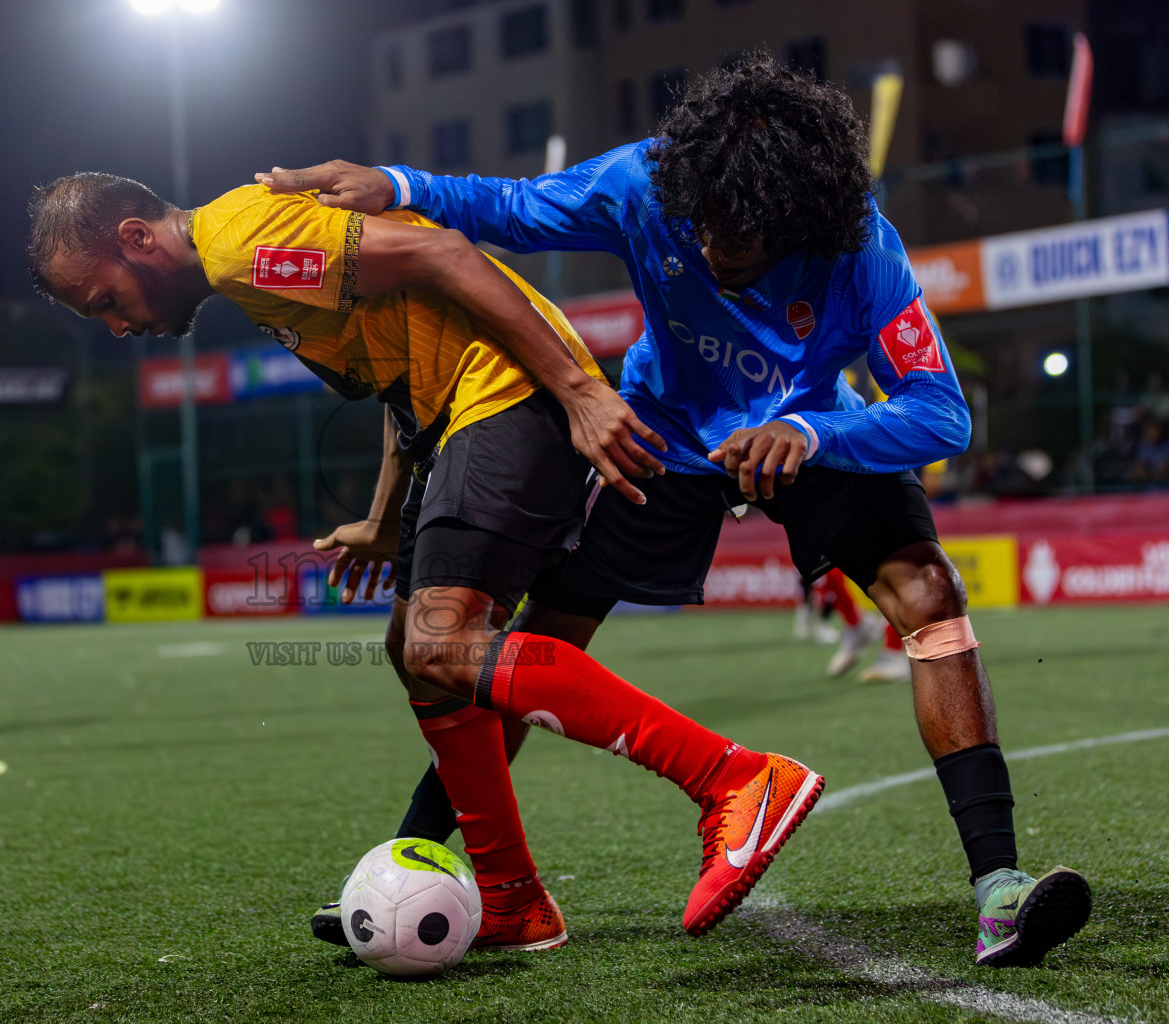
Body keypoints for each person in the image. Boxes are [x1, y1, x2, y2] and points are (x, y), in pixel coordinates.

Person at [258, 53, 1090, 967]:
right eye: (694, 222)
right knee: (528, 648)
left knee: (930, 592)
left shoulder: (864, 253)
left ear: (794, 221)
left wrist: (811, 435)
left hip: (812, 435)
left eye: (730, 234)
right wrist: (398, 183)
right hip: (664, 438)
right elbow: (515, 208)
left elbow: (941, 410)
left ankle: (1000, 891)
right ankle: (414, 864)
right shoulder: (647, 185)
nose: (702, 245)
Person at [26, 172, 823, 950]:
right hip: (460, 416)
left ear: (137, 239)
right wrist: (381, 518)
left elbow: (448, 257)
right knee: (414, 651)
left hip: (504, 399)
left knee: (443, 643)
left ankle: (734, 778)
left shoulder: (239, 244)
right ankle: (513, 901)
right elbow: (399, 368)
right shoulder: (245, 262)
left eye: (105, 301)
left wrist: (579, 390)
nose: (118, 328)